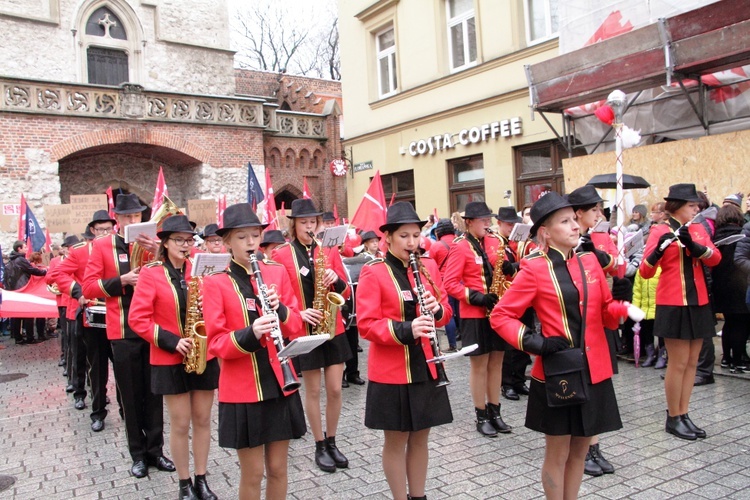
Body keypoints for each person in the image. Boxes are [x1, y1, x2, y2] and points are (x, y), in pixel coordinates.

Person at [490, 192, 632, 500]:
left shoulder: (590, 261)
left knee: (581, 450)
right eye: (564, 222)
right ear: (545, 231)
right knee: (558, 453)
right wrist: (535, 342)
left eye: (573, 220)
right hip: (559, 373)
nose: (574, 227)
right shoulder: (534, 268)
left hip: (594, 371)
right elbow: (501, 315)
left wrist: (622, 305)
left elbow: (605, 315)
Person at [203, 203, 305, 500]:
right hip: (243, 390)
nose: (250, 243)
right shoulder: (216, 282)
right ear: (226, 243)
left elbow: (296, 325)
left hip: (279, 384)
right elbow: (216, 343)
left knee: (277, 468)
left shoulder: (276, 272)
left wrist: (280, 308)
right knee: (253, 474)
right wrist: (252, 333)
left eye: (254, 236)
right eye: (241, 237)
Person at [356, 202, 453, 500]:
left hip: (426, 364)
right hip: (392, 371)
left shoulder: (428, 267)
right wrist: (404, 329)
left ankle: (419, 496)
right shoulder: (374, 272)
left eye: (416, 235)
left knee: (422, 437)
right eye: (404, 236)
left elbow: (446, 310)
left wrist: (438, 311)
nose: (412, 243)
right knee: (397, 441)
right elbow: (367, 325)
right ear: (388, 238)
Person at [83, 193, 174, 478]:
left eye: (137, 216)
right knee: (131, 397)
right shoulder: (101, 246)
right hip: (122, 330)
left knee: (154, 393)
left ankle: (156, 450)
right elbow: (88, 287)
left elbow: (175, 272)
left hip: (153, 330)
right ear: (117, 220)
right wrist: (122, 281)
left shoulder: (152, 243)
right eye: (127, 217)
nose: (133, 221)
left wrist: (160, 249)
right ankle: (137, 454)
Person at [129, 215, 220, 500]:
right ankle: (184, 483)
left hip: (203, 353)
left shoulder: (201, 269)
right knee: (181, 423)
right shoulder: (151, 273)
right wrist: (172, 341)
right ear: (165, 243)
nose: (185, 245)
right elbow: (138, 319)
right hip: (170, 358)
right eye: (179, 240)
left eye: (189, 240)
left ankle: (202, 478)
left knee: (203, 419)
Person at [272, 198, 352, 473]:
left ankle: (332, 439)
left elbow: (346, 291)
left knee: (334, 388)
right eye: (304, 222)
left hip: (332, 328)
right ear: (293, 225)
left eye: (313, 222)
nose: (309, 226)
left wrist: (336, 279)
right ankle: (319, 444)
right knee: (314, 389)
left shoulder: (328, 251)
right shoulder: (281, 254)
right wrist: (299, 313)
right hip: (304, 328)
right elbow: (279, 295)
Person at [639, 183, 721, 440]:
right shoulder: (660, 230)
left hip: (699, 301)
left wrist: (698, 249)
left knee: (693, 363)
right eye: (692, 205)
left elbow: (716, 258)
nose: (697, 208)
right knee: (679, 362)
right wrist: (660, 249)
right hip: (673, 301)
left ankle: (684, 414)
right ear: (677, 207)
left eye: (697, 205)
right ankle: (673, 416)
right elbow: (645, 270)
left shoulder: (698, 228)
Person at [443, 201, 511, 437]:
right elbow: (450, 283)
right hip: (475, 313)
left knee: (497, 362)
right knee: (480, 366)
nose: (488, 224)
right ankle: (481, 415)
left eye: (488, 220)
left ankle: (496, 412)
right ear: (469, 222)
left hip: (497, 310)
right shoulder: (460, 246)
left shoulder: (493, 242)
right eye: (483, 220)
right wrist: (476, 297)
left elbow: (499, 268)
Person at [53, 211, 118, 422]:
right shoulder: (80, 251)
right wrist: (78, 291)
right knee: (96, 367)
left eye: (108, 229)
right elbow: (58, 274)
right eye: (100, 229)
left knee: (123, 367)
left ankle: (127, 409)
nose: (105, 233)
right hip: (93, 316)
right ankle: (98, 412)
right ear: (92, 230)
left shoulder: (120, 247)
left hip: (119, 315)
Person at [494, 207, 533, 401]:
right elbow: (503, 269)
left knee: (523, 340)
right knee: (510, 344)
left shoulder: (514, 243)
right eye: (508, 224)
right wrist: (522, 265)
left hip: (523, 297)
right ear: (499, 223)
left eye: (513, 224)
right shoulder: (496, 243)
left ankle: (518, 380)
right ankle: (507, 383)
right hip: (506, 297)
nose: (511, 227)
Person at [711, 204, 749, 374]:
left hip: (720, 286)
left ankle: (726, 358)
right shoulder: (740, 235)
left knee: (728, 323)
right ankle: (738, 360)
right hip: (738, 285)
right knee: (740, 324)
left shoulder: (715, 236)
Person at [6, 240, 47, 344]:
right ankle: (30, 337)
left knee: (17, 315)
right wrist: (45, 272)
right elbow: (32, 270)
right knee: (28, 314)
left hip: (14, 290)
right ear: (19, 249)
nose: (27, 248)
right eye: (24, 247)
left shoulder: (11, 260)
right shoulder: (21, 259)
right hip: (23, 289)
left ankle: (18, 338)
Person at [429, 219, 458, 352]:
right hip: (461, 281)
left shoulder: (436, 246)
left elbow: (430, 266)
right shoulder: (460, 241)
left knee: (449, 313)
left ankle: (452, 344)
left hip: (444, 282)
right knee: (463, 312)